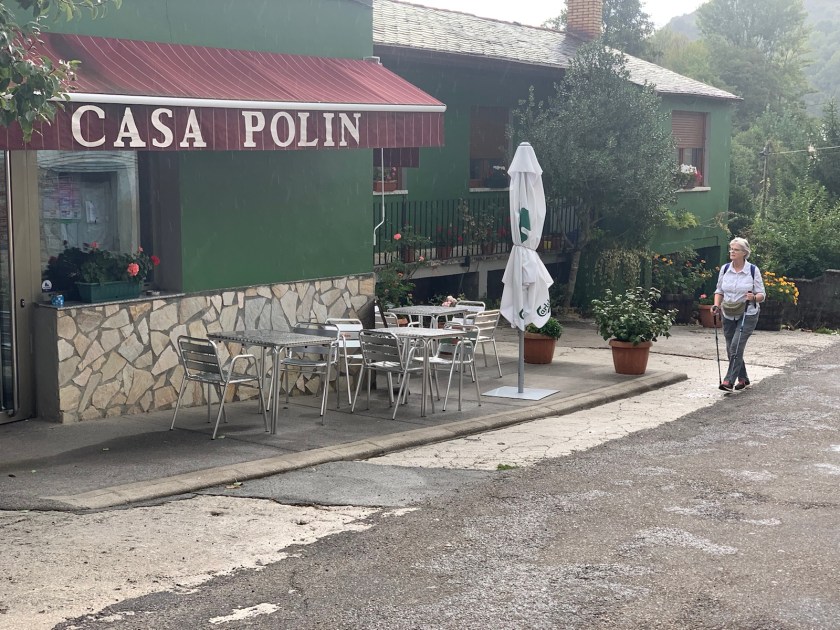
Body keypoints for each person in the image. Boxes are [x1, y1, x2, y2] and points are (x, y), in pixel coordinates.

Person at [711, 237, 766, 393]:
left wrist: (753, 297)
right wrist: (716, 305)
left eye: (736, 250)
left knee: (735, 346)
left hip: (748, 313)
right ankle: (743, 378)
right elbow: (719, 291)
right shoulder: (725, 269)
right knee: (731, 348)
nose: (732, 252)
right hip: (728, 313)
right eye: (731, 249)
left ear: (744, 253)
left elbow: (762, 295)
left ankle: (729, 380)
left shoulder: (752, 270)